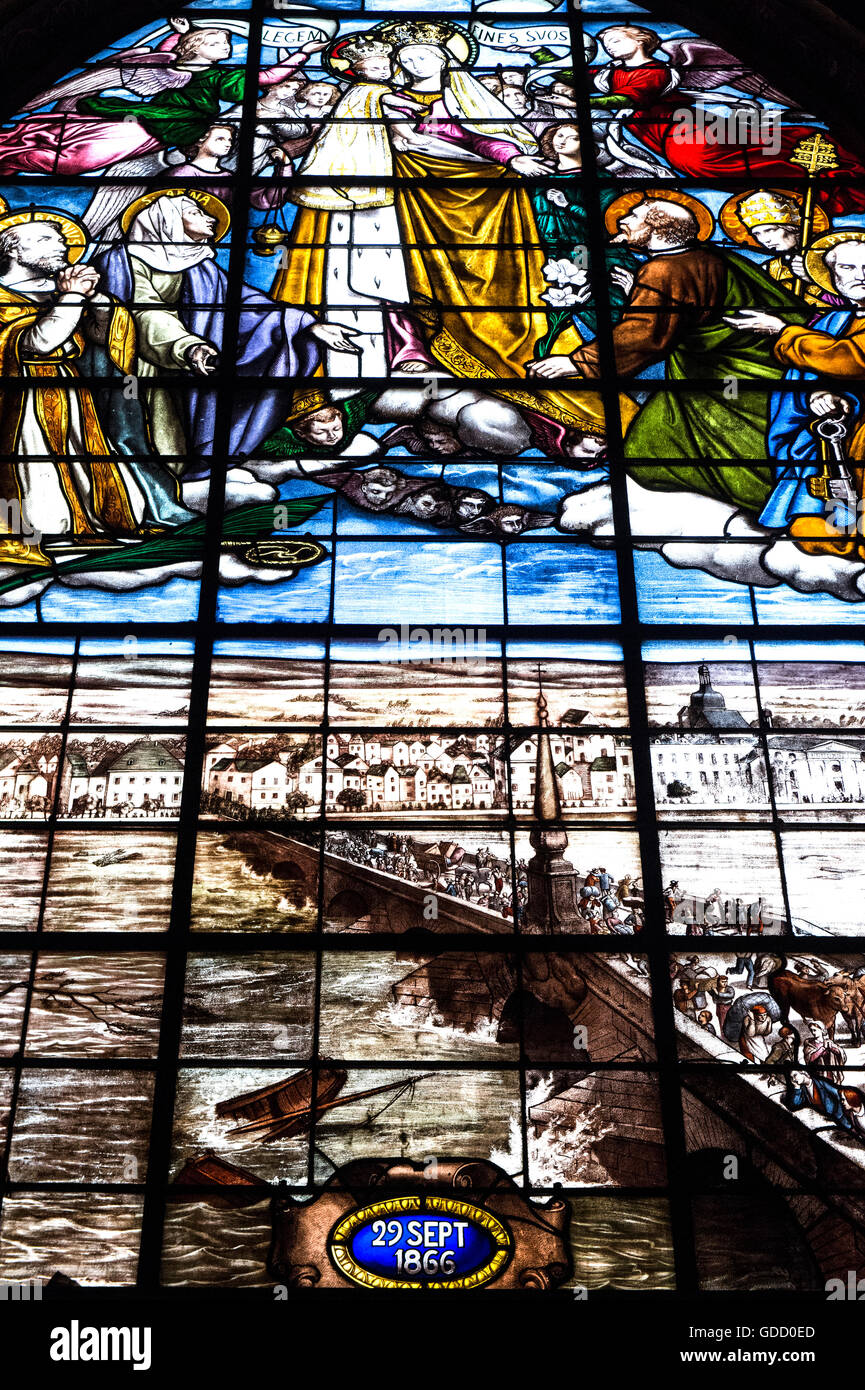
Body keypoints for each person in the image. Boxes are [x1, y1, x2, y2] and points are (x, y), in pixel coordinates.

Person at [273, 19, 613, 442]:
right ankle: (406, 353)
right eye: (405, 57)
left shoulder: (462, 97)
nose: (413, 61)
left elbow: (483, 137)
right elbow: (367, 149)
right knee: (387, 276)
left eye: (424, 55)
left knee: (478, 291)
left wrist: (512, 159)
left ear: (445, 59)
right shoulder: (379, 99)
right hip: (397, 201)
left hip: (470, 202)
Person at [530, 191, 809, 500]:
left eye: (633, 217)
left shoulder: (666, 270)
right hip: (757, 365)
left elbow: (646, 334)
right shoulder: (712, 256)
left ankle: (770, 502)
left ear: (657, 229)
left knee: (655, 451)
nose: (622, 219)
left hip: (725, 378)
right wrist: (641, 291)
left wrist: (577, 362)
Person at [98, 190, 359, 466]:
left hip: (196, 365)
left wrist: (305, 324)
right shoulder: (124, 262)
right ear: (166, 221)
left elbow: (243, 303)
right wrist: (187, 347)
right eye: (195, 213)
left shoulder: (200, 267)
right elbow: (146, 314)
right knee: (155, 448)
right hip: (146, 368)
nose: (210, 218)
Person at [0, 207, 194, 566]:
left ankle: (87, 523)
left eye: (60, 238)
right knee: (33, 469)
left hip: (68, 388)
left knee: (78, 462)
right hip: (18, 400)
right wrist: (72, 298)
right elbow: (37, 344)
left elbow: (102, 340)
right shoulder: (5, 299)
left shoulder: (58, 292)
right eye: (45, 238)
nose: (60, 245)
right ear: (12, 249)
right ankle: (36, 530)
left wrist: (97, 302)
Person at [0, 17, 327, 177]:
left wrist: (301, 54)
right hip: (151, 117)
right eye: (215, 42)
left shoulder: (222, 76)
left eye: (226, 44)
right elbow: (163, 58)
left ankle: (21, 155)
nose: (225, 48)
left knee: (78, 162)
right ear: (194, 46)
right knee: (78, 150)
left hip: (176, 127)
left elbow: (265, 77)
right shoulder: (169, 65)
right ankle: (18, 149)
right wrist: (178, 31)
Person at [726, 232, 865, 555]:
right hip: (843, 439)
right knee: (808, 531)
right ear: (832, 277)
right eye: (847, 267)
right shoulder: (834, 321)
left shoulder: (821, 332)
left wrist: (782, 331)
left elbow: (850, 359)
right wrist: (816, 394)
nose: (860, 276)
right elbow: (813, 373)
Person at [718, 190, 839, 308]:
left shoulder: (834, 259)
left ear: (792, 228)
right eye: (757, 234)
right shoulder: (768, 270)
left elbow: (852, 303)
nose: (765, 240)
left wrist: (816, 278)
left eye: (770, 230)